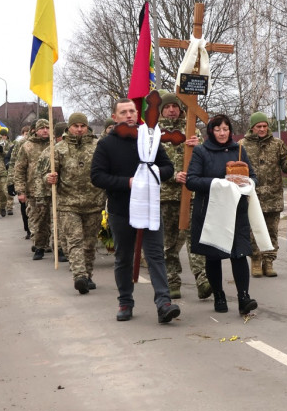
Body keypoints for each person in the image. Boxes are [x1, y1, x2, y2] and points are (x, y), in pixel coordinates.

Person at [91, 98, 180, 324]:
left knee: (155, 255)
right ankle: (125, 302)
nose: (129, 115)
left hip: (150, 208)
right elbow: (97, 176)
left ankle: (164, 302)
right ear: (115, 117)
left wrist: (154, 173)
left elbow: (168, 167)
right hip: (121, 209)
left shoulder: (149, 139)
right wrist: (128, 182)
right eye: (124, 112)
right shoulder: (106, 144)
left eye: (132, 111)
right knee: (124, 257)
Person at [186, 113, 260, 315]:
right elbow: (192, 180)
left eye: (225, 129)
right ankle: (219, 295)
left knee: (239, 253)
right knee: (213, 255)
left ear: (230, 131)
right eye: (218, 129)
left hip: (236, 210)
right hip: (211, 210)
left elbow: (253, 176)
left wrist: (248, 183)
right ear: (211, 131)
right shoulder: (201, 151)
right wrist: (219, 183)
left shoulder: (239, 150)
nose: (222, 133)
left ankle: (244, 297)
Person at [45, 112, 105, 294]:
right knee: (75, 240)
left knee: (89, 243)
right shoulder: (58, 149)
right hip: (68, 203)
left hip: (94, 202)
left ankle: (88, 275)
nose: (79, 129)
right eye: (75, 126)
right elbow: (46, 174)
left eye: (82, 126)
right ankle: (79, 276)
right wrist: (49, 178)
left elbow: (106, 170)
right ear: (69, 127)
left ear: (87, 127)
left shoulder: (98, 146)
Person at [155, 94, 208, 298]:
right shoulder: (154, 132)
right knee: (169, 241)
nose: (171, 110)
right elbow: (150, 165)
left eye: (175, 106)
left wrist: (198, 146)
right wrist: (172, 175)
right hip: (166, 195)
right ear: (161, 110)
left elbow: (204, 159)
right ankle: (172, 280)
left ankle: (202, 279)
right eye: (167, 107)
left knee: (195, 237)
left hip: (190, 193)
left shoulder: (192, 129)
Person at [240, 111, 287, 280]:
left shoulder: (277, 144)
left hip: (273, 196)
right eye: (258, 126)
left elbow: (285, 166)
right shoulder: (242, 145)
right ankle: (255, 260)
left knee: (271, 231)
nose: (262, 129)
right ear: (252, 127)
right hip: (252, 196)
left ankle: (268, 262)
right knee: (253, 231)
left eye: (265, 126)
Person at [13, 120, 53, 259]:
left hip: (53, 189)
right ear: (35, 130)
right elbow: (19, 169)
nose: (45, 130)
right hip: (34, 190)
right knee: (38, 220)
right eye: (42, 128)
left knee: (55, 220)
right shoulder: (27, 146)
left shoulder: (54, 145)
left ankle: (58, 247)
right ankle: (39, 246)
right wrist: (20, 191)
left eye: (47, 128)